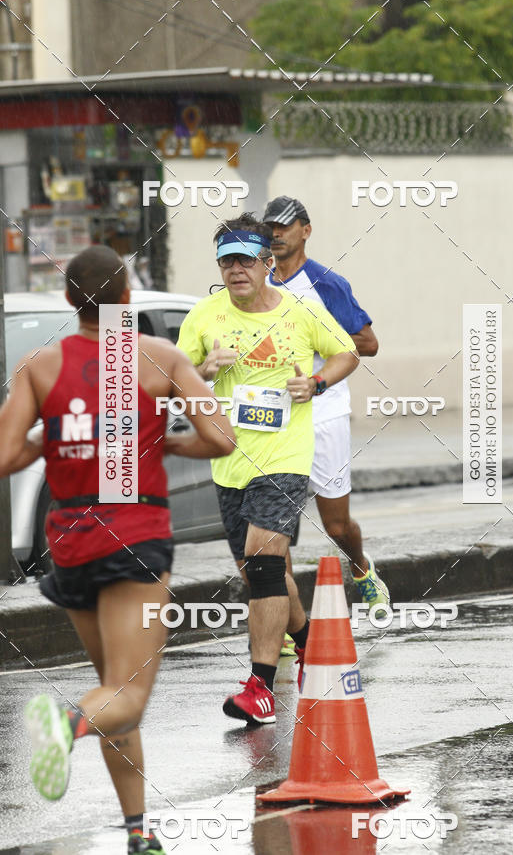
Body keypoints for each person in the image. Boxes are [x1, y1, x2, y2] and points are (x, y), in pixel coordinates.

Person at [0, 245, 234, 855]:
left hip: (70, 544)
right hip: (134, 539)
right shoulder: (159, 358)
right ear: (127, 299)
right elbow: (221, 438)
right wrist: (169, 445)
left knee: (113, 690)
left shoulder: (39, 367)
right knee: (125, 694)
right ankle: (62, 724)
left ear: (70, 301)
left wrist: (53, 435)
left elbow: (4, 458)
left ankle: (140, 832)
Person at [176, 214, 358, 724]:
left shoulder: (300, 312)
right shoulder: (204, 317)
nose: (236, 270)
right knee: (264, 574)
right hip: (229, 460)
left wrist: (317, 383)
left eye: (245, 260)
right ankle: (313, 644)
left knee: (262, 562)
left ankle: (260, 687)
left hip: (285, 457)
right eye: (226, 261)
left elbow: (346, 353)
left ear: (266, 262)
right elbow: (172, 378)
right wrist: (203, 372)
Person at [262, 196, 389, 609]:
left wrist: (314, 337)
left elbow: (368, 344)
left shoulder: (326, 284)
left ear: (306, 231)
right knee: (272, 525)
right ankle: (281, 615)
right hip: (274, 417)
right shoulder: (256, 283)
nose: (276, 234)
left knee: (336, 524)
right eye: (271, 228)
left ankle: (360, 568)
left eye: (285, 226)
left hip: (324, 412)